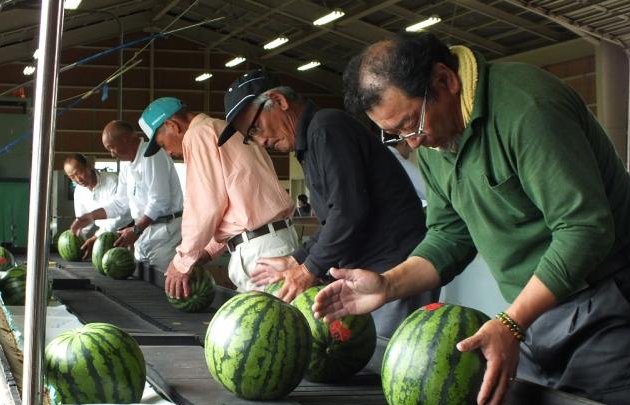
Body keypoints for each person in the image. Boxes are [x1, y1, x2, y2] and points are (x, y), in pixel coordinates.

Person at [312, 32, 630, 405]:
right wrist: (388, 283)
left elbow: (585, 230)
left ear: (445, 81)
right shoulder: (437, 138)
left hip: (605, 301)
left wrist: (512, 323)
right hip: (533, 311)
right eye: (396, 134)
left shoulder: (528, 108)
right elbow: (450, 233)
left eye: (409, 125)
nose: (412, 143)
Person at [217, 70, 432, 338]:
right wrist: (296, 259)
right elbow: (335, 219)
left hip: (394, 267)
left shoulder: (327, 129)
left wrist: (308, 269)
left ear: (279, 101)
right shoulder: (312, 142)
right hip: (373, 267)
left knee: (389, 359)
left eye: (256, 129)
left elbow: (349, 213)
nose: (261, 142)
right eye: (251, 138)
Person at [137, 97, 298, 296]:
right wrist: (207, 251)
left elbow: (205, 205)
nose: (168, 153)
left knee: (265, 324)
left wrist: (182, 261)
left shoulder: (198, 134)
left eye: (162, 144)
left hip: (261, 251)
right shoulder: (224, 128)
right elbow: (235, 206)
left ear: (171, 125)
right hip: (271, 241)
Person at [70, 120, 183, 272]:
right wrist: (90, 216)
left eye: (111, 147)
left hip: (164, 233)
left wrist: (136, 230)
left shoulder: (152, 155)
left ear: (124, 139)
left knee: (162, 285)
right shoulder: (127, 166)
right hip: (143, 235)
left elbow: (159, 202)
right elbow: (120, 204)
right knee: (143, 286)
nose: (111, 153)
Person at [63, 153, 131, 259]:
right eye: (72, 177)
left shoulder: (112, 181)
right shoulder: (79, 192)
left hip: (125, 234)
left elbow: (118, 217)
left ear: (88, 166)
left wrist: (96, 237)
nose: (77, 179)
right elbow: (83, 223)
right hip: (103, 238)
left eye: (78, 173)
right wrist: (76, 239)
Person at [386, 141, 427, 208]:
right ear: (403, 142)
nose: (411, 151)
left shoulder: (385, 156)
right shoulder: (394, 159)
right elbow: (426, 190)